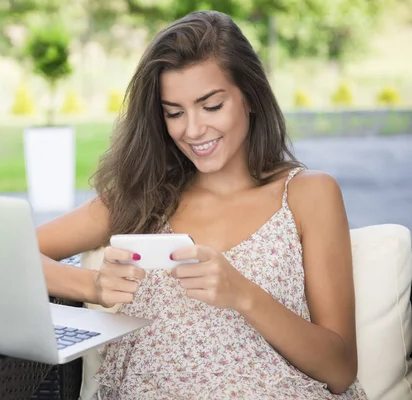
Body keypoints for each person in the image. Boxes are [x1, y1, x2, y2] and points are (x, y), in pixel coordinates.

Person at [36, 10, 368, 399]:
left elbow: (340, 370)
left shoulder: (308, 194)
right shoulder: (144, 197)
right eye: (174, 113)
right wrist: (92, 285)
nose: (192, 130)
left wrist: (243, 295)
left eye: (211, 106)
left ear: (250, 97)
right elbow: (6, 253)